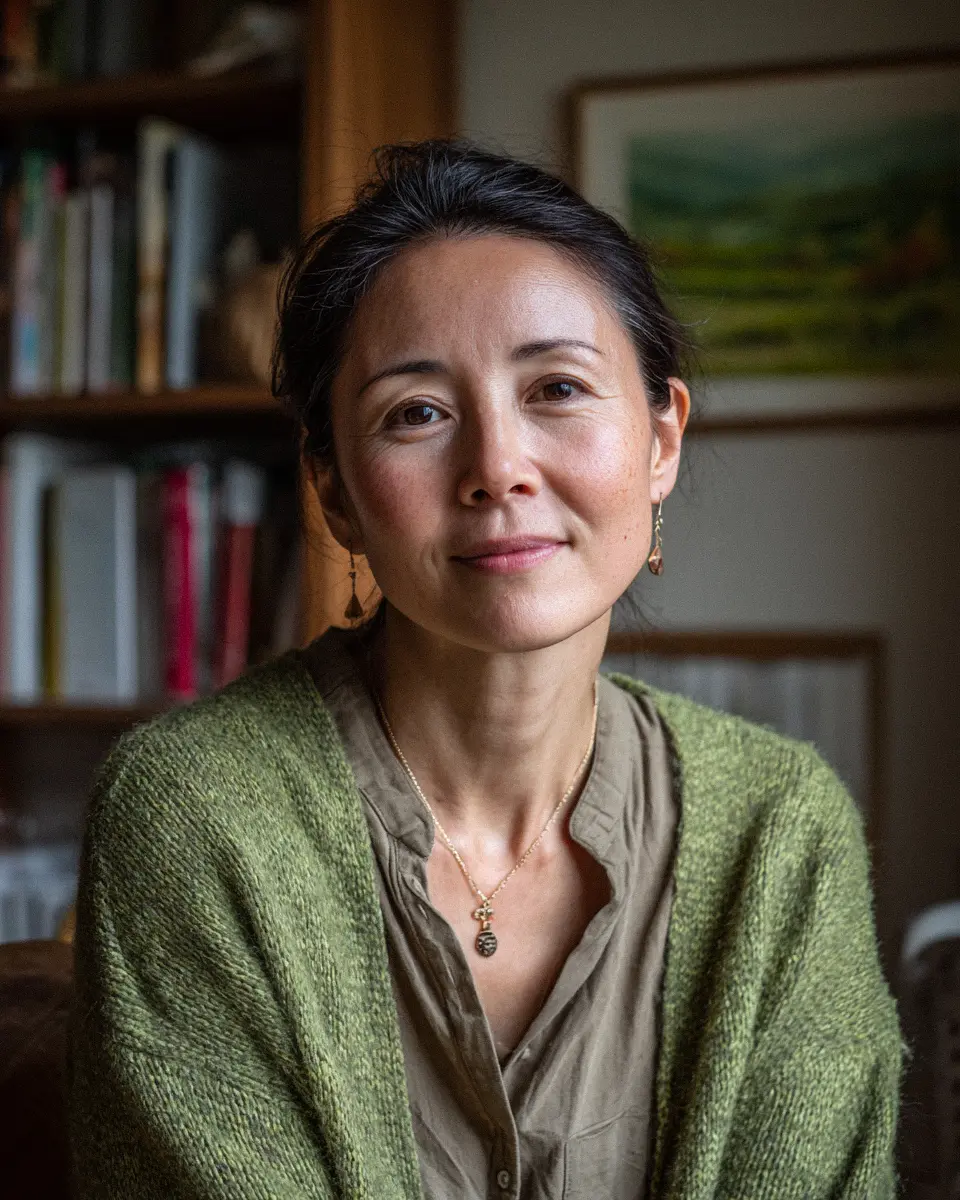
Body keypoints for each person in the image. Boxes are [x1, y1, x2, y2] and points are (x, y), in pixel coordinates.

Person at [68, 140, 901, 1199]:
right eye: (417, 413)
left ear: (660, 440)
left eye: (556, 387)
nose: (497, 468)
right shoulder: (195, 816)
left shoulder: (782, 834)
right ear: (333, 490)